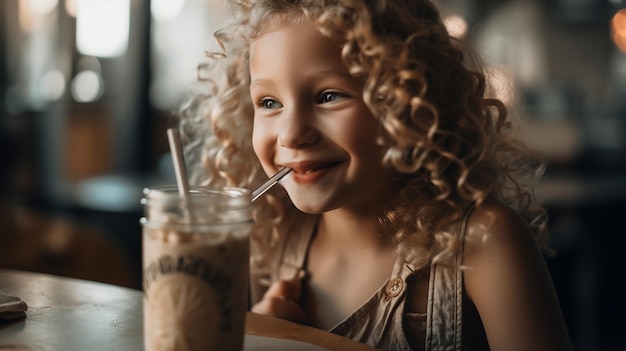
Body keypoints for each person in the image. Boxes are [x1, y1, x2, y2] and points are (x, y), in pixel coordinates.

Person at [177, 0, 573, 350]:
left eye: (329, 96)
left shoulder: (485, 242)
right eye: (269, 102)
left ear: (408, 102)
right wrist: (263, 338)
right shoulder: (273, 239)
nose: (291, 133)